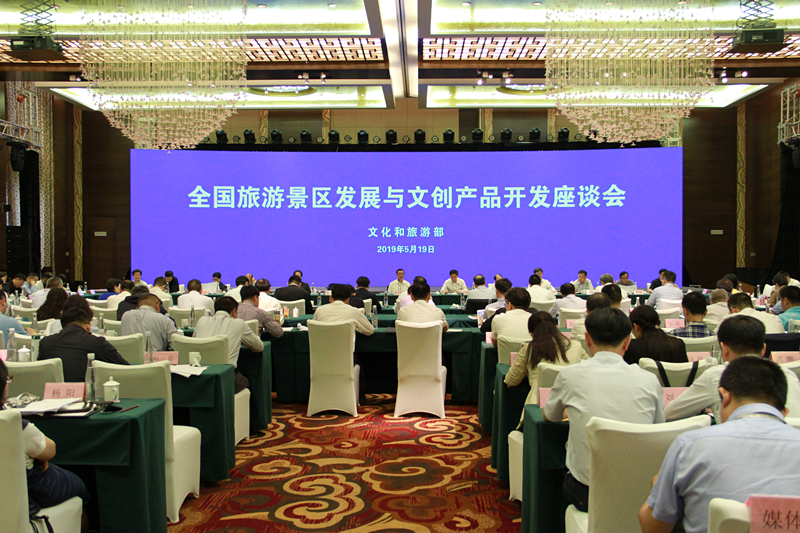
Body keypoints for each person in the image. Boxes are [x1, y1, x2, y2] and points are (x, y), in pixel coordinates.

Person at [639, 357, 800, 533]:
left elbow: (653, 528)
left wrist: (656, 490)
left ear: (724, 397)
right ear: (784, 412)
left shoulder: (689, 446)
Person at [544, 308, 663, 512]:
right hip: (641, 493)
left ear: (587, 339)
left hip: (586, 492)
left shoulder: (570, 375)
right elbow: (658, 429)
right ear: (627, 342)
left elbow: (550, 416)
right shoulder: (649, 380)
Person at [665, 315, 800, 422]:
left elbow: (669, 414)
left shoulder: (716, 375)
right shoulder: (788, 375)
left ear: (724, 350)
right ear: (764, 349)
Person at [1, 359, 91, 518]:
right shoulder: (12, 423)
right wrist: (37, 457)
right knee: (79, 486)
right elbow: (49, 450)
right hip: (27, 493)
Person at [505, 312, 588, 427]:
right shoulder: (576, 346)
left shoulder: (529, 348)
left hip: (538, 407)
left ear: (531, 333)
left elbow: (511, 380)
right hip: (575, 406)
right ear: (556, 327)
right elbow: (590, 371)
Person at [38, 307, 129, 382]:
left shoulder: (45, 343)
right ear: (88, 326)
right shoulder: (97, 343)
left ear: (62, 326)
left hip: (52, 395)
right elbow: (125, 368)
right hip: (86, 395)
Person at [194, 296, 263, 393]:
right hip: (227, 378)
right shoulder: (238, 324)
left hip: (199, 377)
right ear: (234, 311)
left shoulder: (201, 321)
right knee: (245, 382)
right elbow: (259, 347)